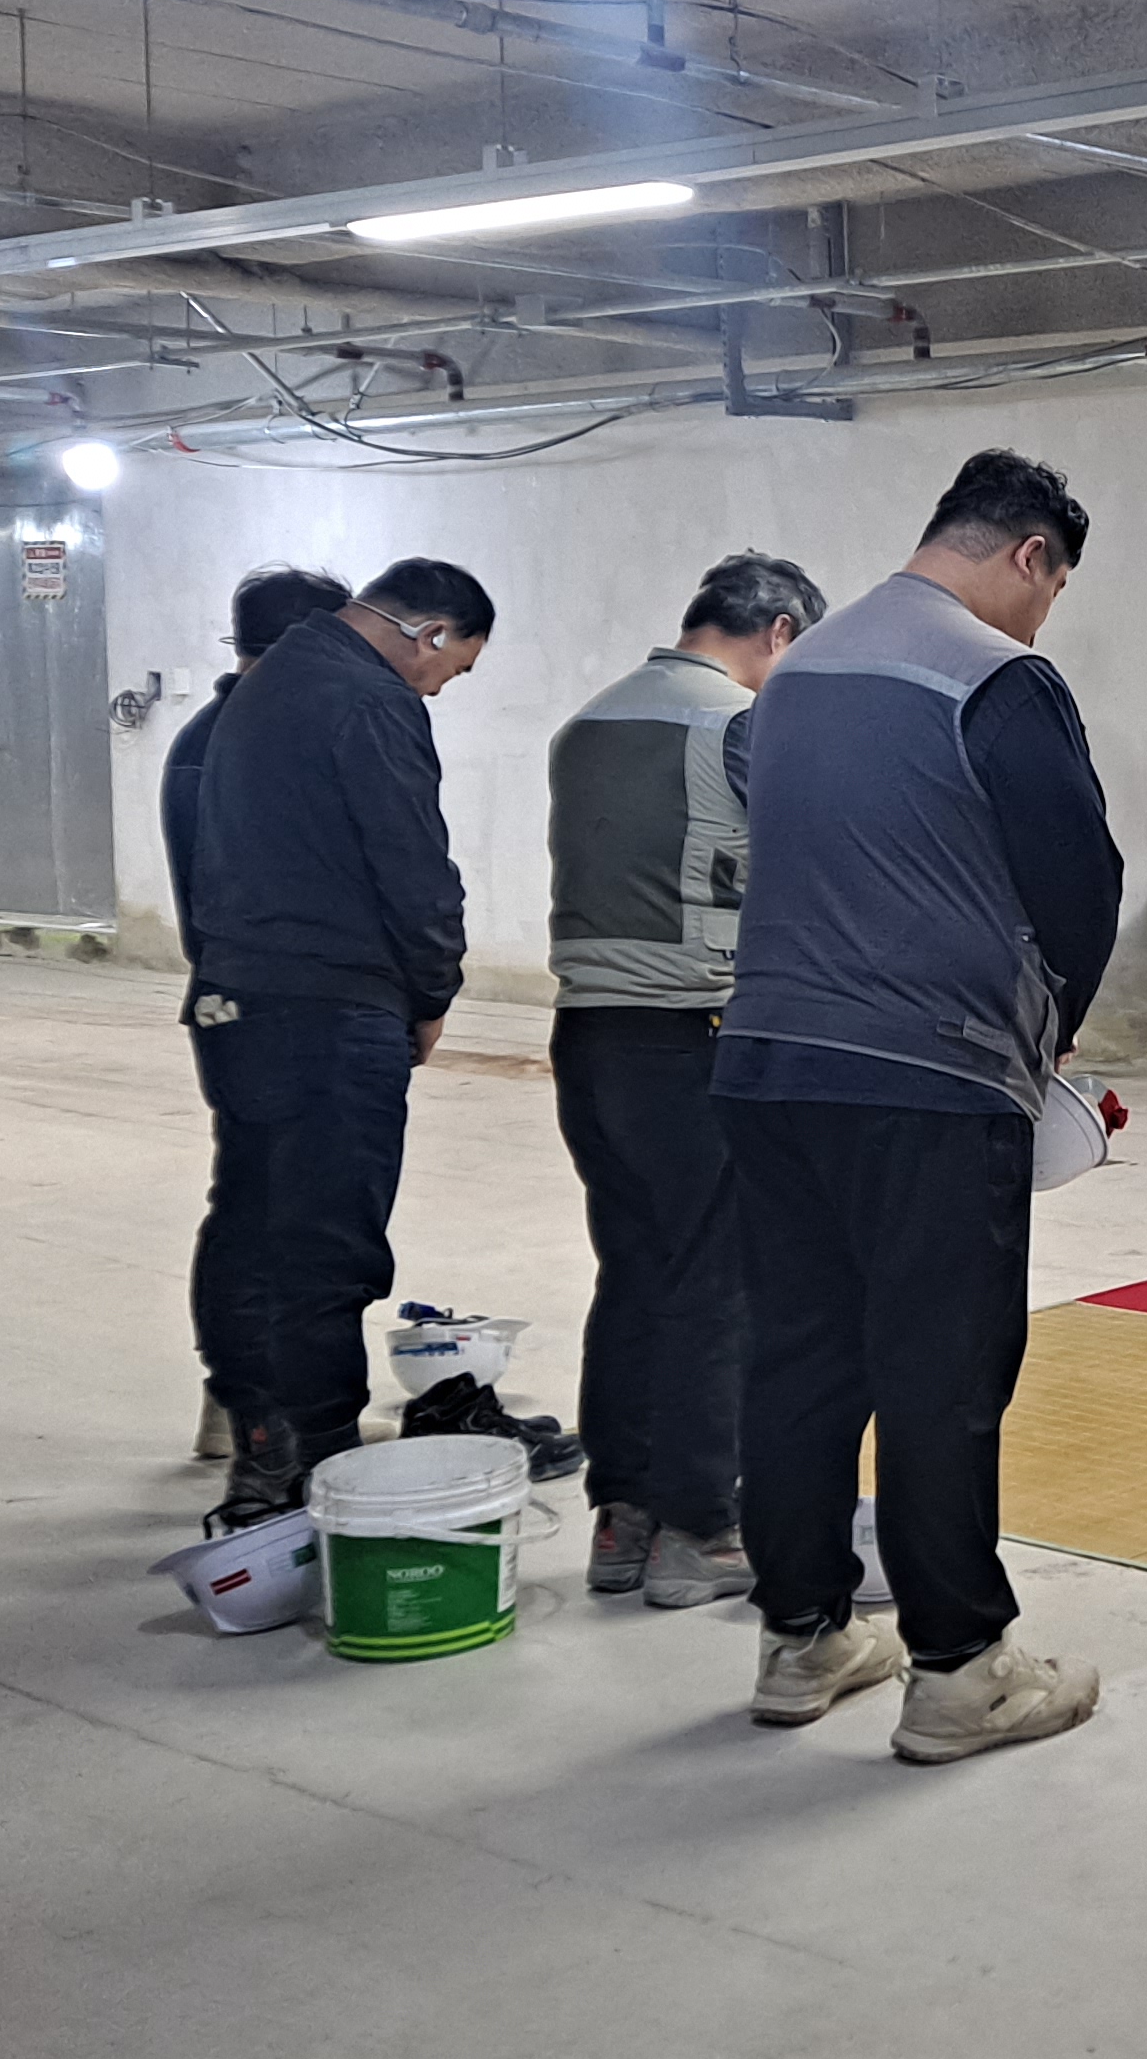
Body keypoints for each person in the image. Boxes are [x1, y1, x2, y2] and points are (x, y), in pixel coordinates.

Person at [715, 451, 1122, 1764]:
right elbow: (1079, 881)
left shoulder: (796, 673)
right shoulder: (994, 676)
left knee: (799, 1353)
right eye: (1050, 589)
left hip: (767, 1061)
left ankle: (803, 1636)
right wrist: (1048, 1032)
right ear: (1029, 555)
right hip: (929, 1075)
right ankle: (959, 1669)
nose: (1041, 618)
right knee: (941, 1368)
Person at [186, 557, 499, 1521]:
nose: (440, 687)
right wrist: (433, 989)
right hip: (329, 1008)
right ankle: (318, 1463)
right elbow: (414, 865)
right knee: (328, 1244)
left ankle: (262, 1442)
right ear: (430, 632)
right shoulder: (369, 699)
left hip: (241, 1000)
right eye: (453, 667)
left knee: (253, 1222)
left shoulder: (268, 684)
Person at [547, 550, 824, 1614]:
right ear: (780, 633)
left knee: (635, 1270)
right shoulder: (737, 726)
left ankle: (622, 1519)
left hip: (588, 1035)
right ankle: (701, 1531)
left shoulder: (589, 721)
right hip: (692, 1033)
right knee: (719, 1280)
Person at [164, 562, 349, 1462]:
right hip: (268, 1007)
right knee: (269, 1209)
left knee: (256, 1197)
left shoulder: (214, 735)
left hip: (241, 1002)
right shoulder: (246, 742)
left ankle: (246, 1404)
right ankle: (260, 1412)